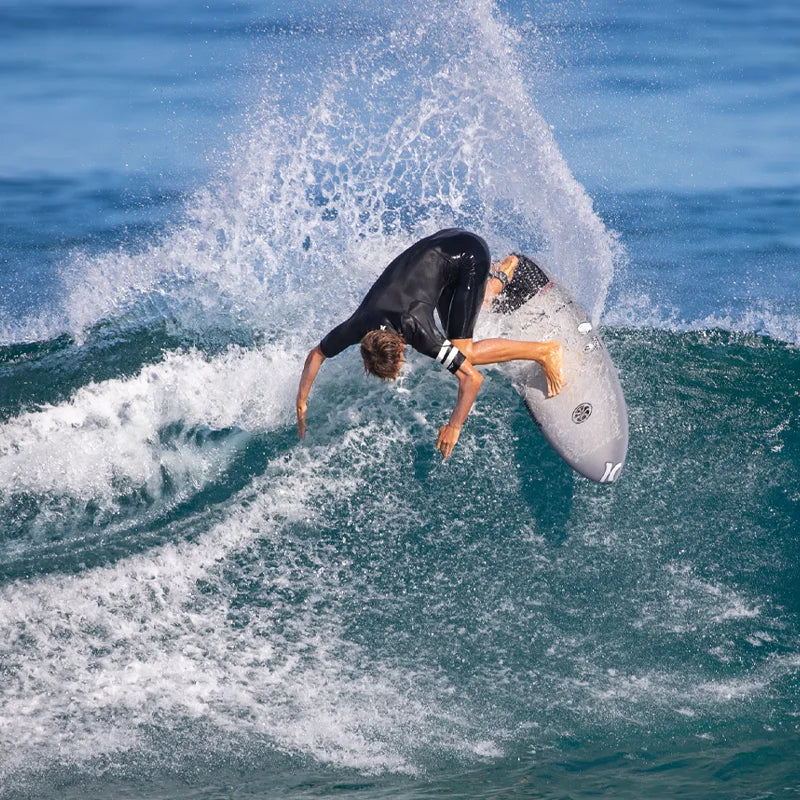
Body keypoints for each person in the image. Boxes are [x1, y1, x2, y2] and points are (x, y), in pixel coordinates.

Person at [296, 228, 565, 459]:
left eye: (399, 364)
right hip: (443, 246)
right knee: (466, 320)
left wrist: (453, 427)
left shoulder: (416, 330)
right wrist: (302, 401)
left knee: (464, 352)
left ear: (401, 345)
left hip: (468, 254)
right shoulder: (357, 326)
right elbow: (317, 355)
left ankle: (544, 351)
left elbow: (472, 380)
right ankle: (501, 274)